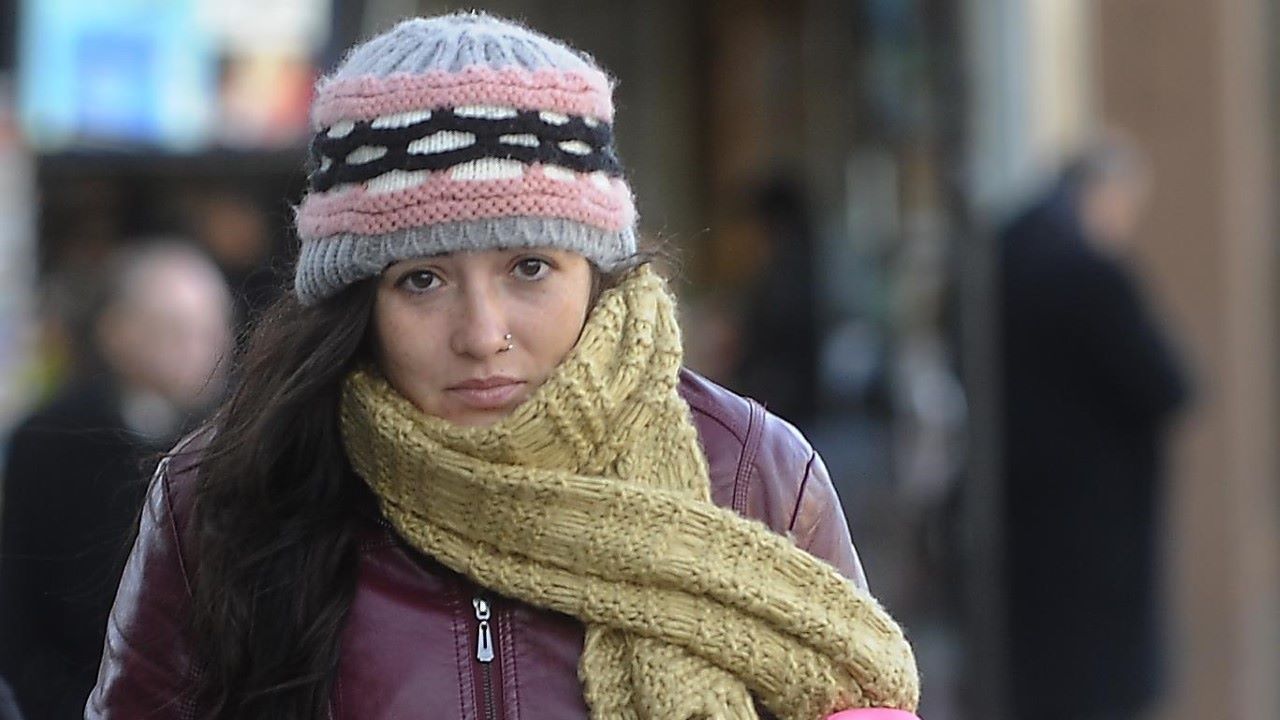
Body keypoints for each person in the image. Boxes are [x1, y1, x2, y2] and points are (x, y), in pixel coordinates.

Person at [86, 14, 920, 720]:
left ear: (595, 268)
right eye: (422, 279)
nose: (482, 334)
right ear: (355, 302)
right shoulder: (226, 496)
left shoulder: (752, 474)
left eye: (528, 268)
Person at [998, 139, 1190, 720]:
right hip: (1096, 535)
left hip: (1021, 522)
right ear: (1103, 195)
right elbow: (1170, 383)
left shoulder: (1003, 256)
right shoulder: (1085, 271)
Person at [0, 242, 233, 720]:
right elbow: (19, 617)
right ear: (116, 332)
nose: (200, 349)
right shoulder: (50, 439)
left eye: (212, 329)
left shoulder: (243, 442)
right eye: (174, 330)